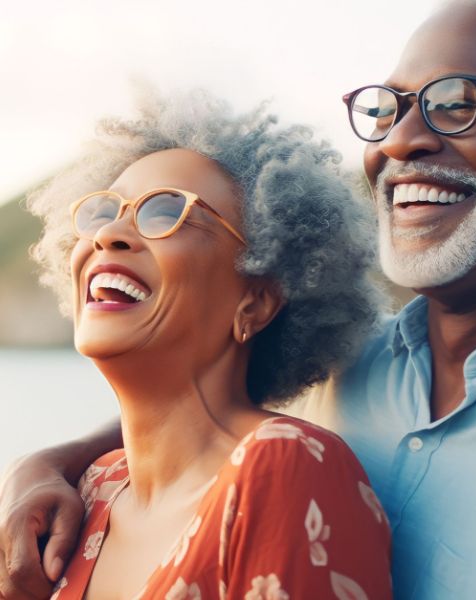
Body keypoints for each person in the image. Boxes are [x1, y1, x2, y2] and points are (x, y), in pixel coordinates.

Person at [2, 0, 476, 597]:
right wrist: (50, 465)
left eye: (457, 104)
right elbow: (186, 417)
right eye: (387, 110)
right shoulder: (336, 368)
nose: (400, 141)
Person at [0, 90, 393, 599]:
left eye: (166, 212)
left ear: (255, 300)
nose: (110, 233)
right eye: (103, 212)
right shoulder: (89, 489)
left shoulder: (284, 466)